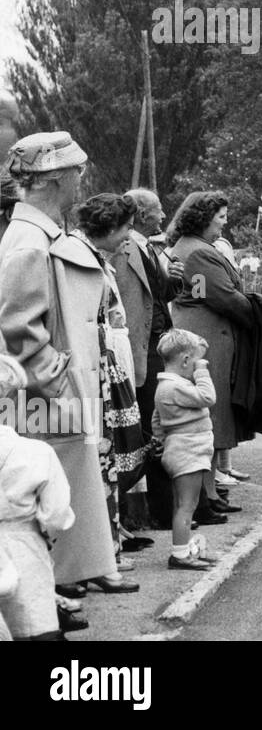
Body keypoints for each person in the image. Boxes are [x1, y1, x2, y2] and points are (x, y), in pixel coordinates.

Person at [0, 132, 118, 619]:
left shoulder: (34, 234)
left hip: (50, 398)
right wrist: (59, 383)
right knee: (44, 508)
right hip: (44, 401)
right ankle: (42, 605)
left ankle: (51, 598)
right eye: (75, 173)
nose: (80, 182)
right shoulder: (28, 241)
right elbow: (16, 324)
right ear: (51, 180)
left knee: (60, 504)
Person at [72, 194, 148, 590]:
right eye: (125, 228)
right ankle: (96, 558)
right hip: (90, 368)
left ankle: (108, 551)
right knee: (99, 458)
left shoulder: (98, 257)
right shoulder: (79, 255)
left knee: (113, 456)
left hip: (107, 363)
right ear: (107, 226)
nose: (129, 236)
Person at [168, 192, 248, 516]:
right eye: (221, 217)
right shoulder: (198, 252)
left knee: (212, 417)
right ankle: (204, 494)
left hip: (206, 334)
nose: (225, 222)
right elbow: (218, 296)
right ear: (204, 218)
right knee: (208, 416)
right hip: (205, 337)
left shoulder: (195, 247)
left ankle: (211, 489)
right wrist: (258, 312)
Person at [117, 188, 185, 531]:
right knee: (152, 422)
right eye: (157, 211)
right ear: (142, 214)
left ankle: (163, 506)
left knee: (160, 419)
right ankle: (154, 509)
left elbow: (160, 295)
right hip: (142, 346)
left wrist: (173, 280)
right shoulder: (127, 247)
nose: (162, 216)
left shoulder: (151, 247)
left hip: (158, 341)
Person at [0, 354, 77, 640]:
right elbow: (57, 513)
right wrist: (46, 530)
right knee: (33, 622)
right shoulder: (35, 453)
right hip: (24, 544)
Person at [151, 329, 220, 571]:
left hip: (181, 450)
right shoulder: (175, 387)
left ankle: (187, 548)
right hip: (187, 452)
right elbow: (208, 397)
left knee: (183, 504)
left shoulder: (166, 386)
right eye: (195, 362)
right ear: (185, 361)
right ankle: (180, 555)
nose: (196, 368)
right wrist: (202, 371)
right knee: (186, 505)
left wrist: (160, 441)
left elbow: (156, 420)